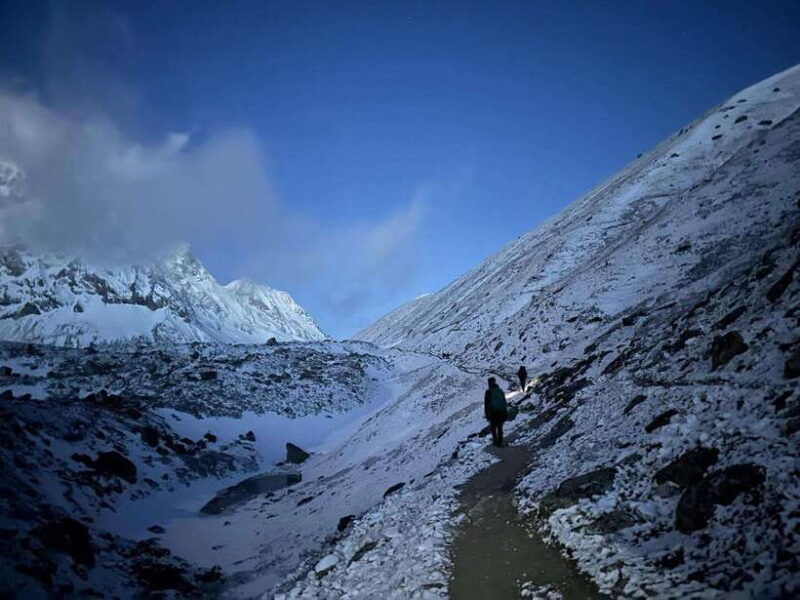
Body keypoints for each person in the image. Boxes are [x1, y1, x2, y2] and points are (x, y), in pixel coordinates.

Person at [484, 377, 508, 447]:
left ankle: (495, 442)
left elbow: (486, 404)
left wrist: (487, 415)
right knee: (500, 427)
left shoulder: (488, 391)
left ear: (489, 383)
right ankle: (500, 442)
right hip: (501, 412)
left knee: (493, 428)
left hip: (493, 413)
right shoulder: (500, 391)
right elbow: (504, 402)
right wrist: (505, 412)